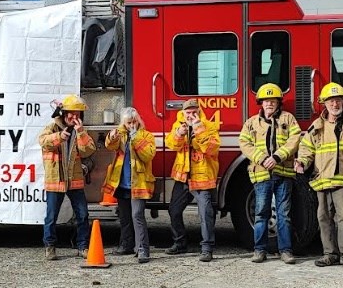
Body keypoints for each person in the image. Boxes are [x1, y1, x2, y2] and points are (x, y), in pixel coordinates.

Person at [294, 82, 343, 272]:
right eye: (331, 101)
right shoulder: (317, 125)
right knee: (323, 217)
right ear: (324, 103)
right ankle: (330, 254)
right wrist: (302, 163)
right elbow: (307, 149)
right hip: (322, 179)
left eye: (338, 101)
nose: (335, 105)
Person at [239, 83, 302, 264]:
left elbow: (295, 139)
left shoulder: (288, 119)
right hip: (261, 175)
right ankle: (259, 250)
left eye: (273, 101)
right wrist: (261, 158)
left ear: (278, 103)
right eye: (266, 101)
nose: (269, 104)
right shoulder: (251, 123)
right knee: (261, 214)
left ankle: (286, 251)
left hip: (283, 174)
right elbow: (244, 142)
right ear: (261, 103)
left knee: (284, 214)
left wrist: (277, 157)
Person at [37, 94, 96, 261]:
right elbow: (42, 141)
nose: (74, 117)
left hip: (75, 181)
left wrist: (81, 133)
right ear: (63, 113)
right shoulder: (53, 128)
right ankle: (50, 247)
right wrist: (58, 137)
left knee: (83, 214)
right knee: (51, 216)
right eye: (71, 113)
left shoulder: (81, 131)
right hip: (56, 181)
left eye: (77, 114)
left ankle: (82, 247)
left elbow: (88, 150)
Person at [165, 98, 221, 262]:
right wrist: (178, 134)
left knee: (205, 214)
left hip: (202, 177)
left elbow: (212, 148)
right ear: (183, 113)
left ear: (199, 112)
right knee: (174, 210)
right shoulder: (178, 125)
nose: (191, 115)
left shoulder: (209, 126)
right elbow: (171, 144)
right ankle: (180, 242)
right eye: (188, 112)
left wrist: (199, 129)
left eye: (194, 112)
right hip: (183, 176)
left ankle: (207, 248)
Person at [102, 107, 156, 264]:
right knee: (124, 216)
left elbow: (148, 156)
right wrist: (111, 137)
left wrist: (136, 139)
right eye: (128, 123)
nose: (131, 125)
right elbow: (110, 146)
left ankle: (143, 249)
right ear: (123, 123)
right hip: (122, 182)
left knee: (137, 215)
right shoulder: (120, 133)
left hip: (138, 184)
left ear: (138, 121)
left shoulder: (146, 135)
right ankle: (126, 245)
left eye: (134, 122)